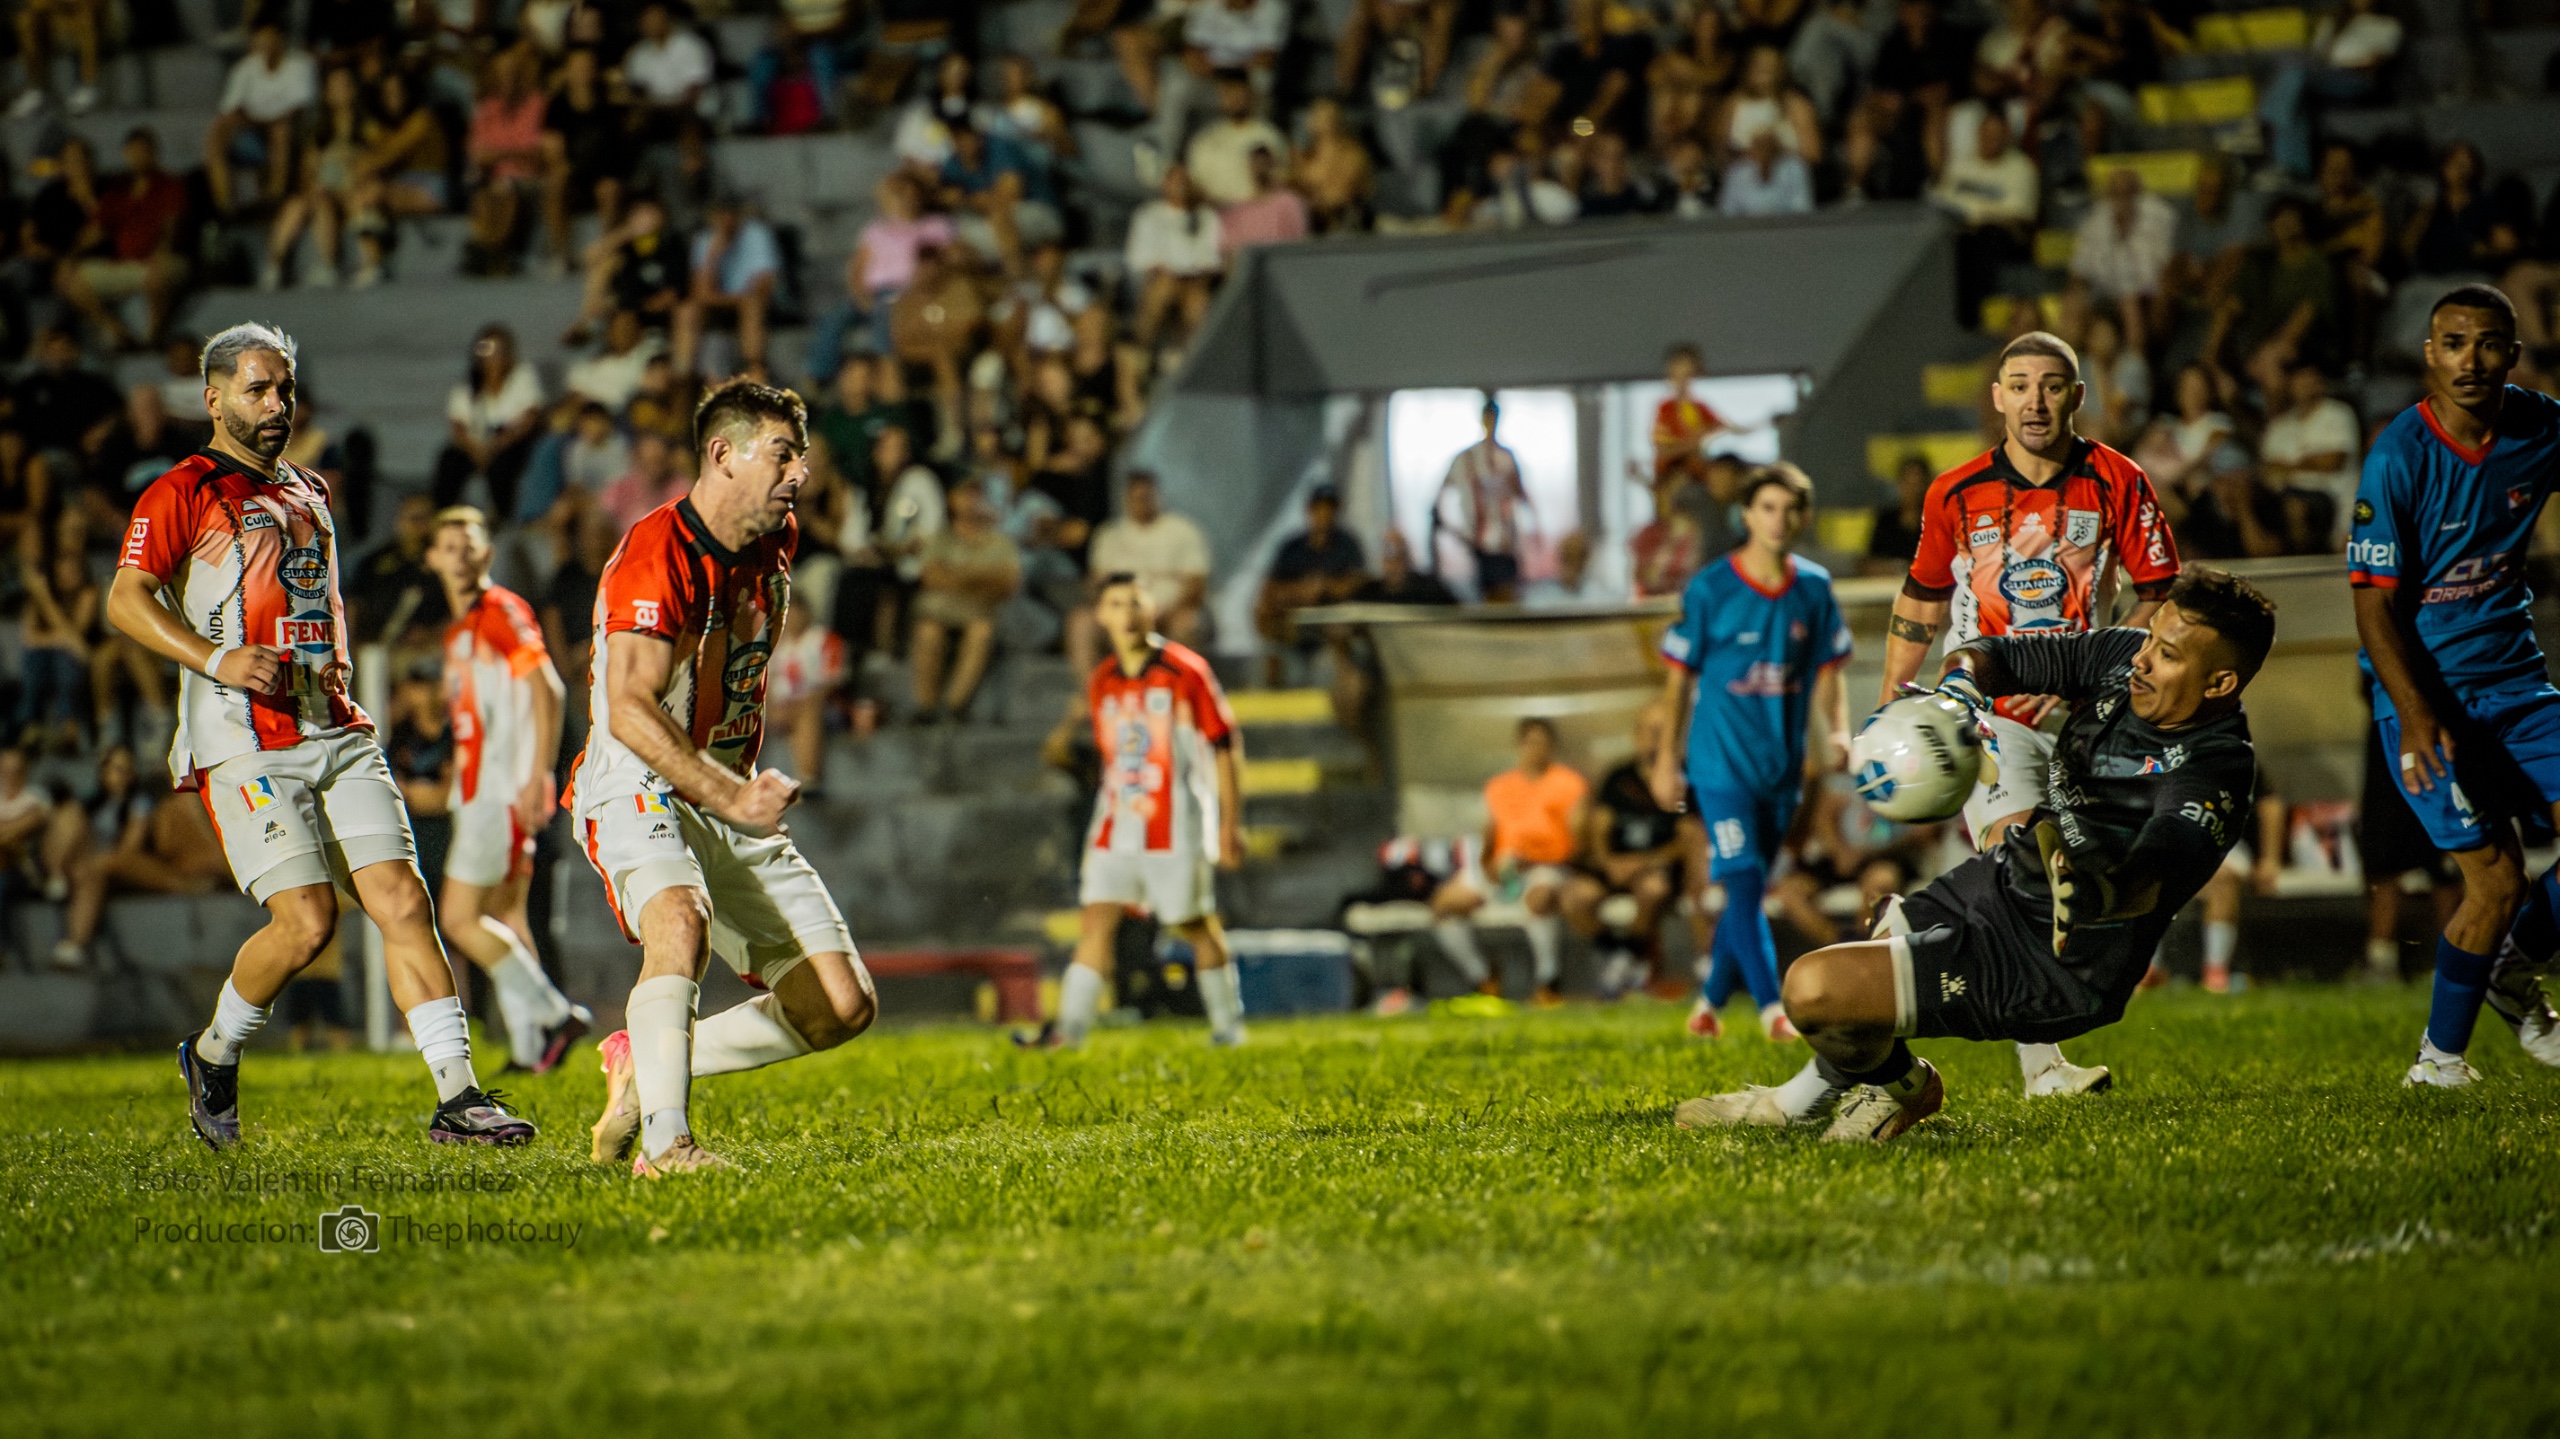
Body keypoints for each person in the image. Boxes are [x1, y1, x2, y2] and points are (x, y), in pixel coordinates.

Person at [111, 322, 532, 1150]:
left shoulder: (309, 490)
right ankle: (213, 1054)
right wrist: (215, 657)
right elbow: (125, 600)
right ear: (214, 396)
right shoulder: (183, 490)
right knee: (307, 923)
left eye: (285, 390)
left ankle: (460, 1098)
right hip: (246, 737)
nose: (275, 405)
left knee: (406, 903)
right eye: (257, 389)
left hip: (335, 725)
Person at [1679, 569, 2273, 1141]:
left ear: (2220, 683)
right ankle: (1831, 1097)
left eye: (2168, 655)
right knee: (1880, 939)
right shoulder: (2123, 655)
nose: (2143, 660)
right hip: (2006, 880)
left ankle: (1892, 1088)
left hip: (2060, 961)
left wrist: (2090, 888)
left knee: (1814, 989)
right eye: (2151, 639)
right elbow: (1999, 654)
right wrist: (1960, 689)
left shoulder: (2216, 765)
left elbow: (2157, 867)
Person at [580, 381, 876, 1177]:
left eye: (801, 457)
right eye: (782, 454)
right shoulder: (655, 553)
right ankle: (666, 1147)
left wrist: (732, 795)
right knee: (679, 920)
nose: (798, 474)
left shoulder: (774, 537)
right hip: (638, 782)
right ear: (722, 453)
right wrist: (732, 795)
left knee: (841, 1006)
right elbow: (630, 709)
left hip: (724, 794)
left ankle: (644, 1064)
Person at [1877, 330, 2182, 1098]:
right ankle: (2042, 1067)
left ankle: (1908, 927)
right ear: (1998, 397)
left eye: (2052, 385)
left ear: (2077, 396)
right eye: (2019, 384)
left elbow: (2160, 591)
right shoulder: (1955, 491)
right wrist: (1891, 700)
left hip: (2086, 712)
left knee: (2052, 881)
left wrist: (2103, 665)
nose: (2035, 401)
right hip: (1986, 707)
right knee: (2022, 859)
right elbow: (1918, 597)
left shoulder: (2118, 480)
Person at [2347, 284, 2560, 1087]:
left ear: (2513, 352)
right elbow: (2371, 606)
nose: (2471, 360)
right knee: (2496, 879)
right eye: (2454, 343)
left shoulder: (2541, 426)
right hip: (2428, 700)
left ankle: (2509, 970)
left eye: (2489, 343)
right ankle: (2437, 1062)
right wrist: (2414, 714)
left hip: (2517, 684)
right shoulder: (2399, 454)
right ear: (2430, 354)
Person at [1651, 464, 1852, 1041]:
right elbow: (1677, 682)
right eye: (1766, 507)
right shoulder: (1711, 588)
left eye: (1789, 509)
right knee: (1741, 883)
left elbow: (1829, 671)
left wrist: (1837, 730)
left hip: (1782, 769)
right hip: (1719, 767)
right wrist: (1668, 761)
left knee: (1751, 883)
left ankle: (1710, 1001)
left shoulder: (1813, 589)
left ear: (1803, 517)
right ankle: (1773, 1010)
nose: (1778, 520)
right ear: (1746, 515)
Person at [1020, 572, 1247, 1048]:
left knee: (1195, 926)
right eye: (1116, 604)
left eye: (1136, 603)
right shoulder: (1101, 680)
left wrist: (1229, 822)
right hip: (1116, 824)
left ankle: (1229, 1027)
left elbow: (1225, 743)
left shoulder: (1187, 671)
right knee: (1096, 922)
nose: (1128, 613)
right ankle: (1069, 1032)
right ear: (1101, 617)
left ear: (1153, 609)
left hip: (1174, 824)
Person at [426, 506, 590, 1075]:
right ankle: (528, 1050)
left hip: (498, 793)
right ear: (432, 559)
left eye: (470, 544)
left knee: (458, 920)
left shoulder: (499, 611)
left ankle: (555, 1012)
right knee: (506, 919)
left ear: (488, 554)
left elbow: (547, 686)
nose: (461, 555)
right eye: (449, 545)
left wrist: (540, 773)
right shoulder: (460, 631)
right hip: (482, 790)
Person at [1431, 718, 1587, 1006]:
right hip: (1503, 867)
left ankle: (1547, 982)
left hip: (1546, 865)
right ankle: (1482, 978)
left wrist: (1534, 859)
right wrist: (1489, 868)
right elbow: (1488, 835)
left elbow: (1577, 843)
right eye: (1529, 742)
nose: (1534, 749)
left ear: (1551, 747)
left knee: (1540, 898)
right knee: (1445, 904)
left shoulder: (1568, 784)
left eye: (1541, 743)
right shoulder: (1500, 787)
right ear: (1519, 746)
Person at [49, 744, 233, 970]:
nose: (123, 776)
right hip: (92, 865)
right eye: (117, 769)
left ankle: (74, 942)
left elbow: (129, 849)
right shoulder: (92, 804)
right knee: (73, 826)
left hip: (129, 864)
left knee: (102, 864)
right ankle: (70, 933)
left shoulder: (140, 804)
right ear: (103, 772)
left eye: (128, 770)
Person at [1563, 703, 1697, 1000]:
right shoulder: (1618, 777)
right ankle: (1619, 955)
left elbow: (1691, 838)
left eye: (1662, 731)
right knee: (1575, 897)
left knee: (1653, 890)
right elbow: (1600, 827)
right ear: (1636, 736)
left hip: (1658, 866)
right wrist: (1609, 862)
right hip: (1615, 863)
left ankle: (1623, 965)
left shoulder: (1685, 778)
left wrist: (1647, 861)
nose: (1655, 737)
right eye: (1650, 731)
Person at [58, 127, 190, 352]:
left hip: (164, 261)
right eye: (134, 151)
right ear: (126, 153)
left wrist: (160, 254)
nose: (139, 156)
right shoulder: (118, 190)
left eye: (144, 151)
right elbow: (96, 231)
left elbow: (171, 228)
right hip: (124, 264)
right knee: (70, 280)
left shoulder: (170, 186)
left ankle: (152, 339)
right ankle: (116, 331)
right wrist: (69, 258)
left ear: (154, 152)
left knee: (157, 277)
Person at [909, 480, 1022, 724]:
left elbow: (1007, 582)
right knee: (928, 630)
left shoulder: (1000, 541)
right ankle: (926, 707)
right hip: (941, 610)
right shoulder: (941, 538)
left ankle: (955, 706)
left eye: (976, 494)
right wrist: (979, 577)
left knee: (981, 631)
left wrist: (956, 575)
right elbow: (930, 577)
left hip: (982, 611)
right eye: (964, 494)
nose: (970, 501)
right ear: (952, 499)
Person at [1254, 484, 1368, 687]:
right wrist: (1301, 591)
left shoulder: (1347, 545)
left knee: (1336, 655)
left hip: (1330, 631)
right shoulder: (1292, 548)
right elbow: (1269, 589)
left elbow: (1357, 582)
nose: (1324, 514)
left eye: (1329, 508)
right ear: (1309, 510)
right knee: (1267, 636)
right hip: (1294, 628)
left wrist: (1324, 587)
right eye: (1319, 508)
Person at [1087, 471, 1211, 645]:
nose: (1141, 503)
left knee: (1187, 624)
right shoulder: (1109, 535)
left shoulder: (1183, 530)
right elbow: (1097, 584)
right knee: (1082, 624)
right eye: (1135, 498)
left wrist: (1164, 614)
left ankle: (1182, 673)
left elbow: (1196, 585)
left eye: (1146, 497)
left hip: (1171, 611)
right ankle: (1098, 673)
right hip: (1120, 613)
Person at [206, 21, 316, 216]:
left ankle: (275, 197)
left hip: (291, 130)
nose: (264, 47)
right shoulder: (244, 69)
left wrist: (269, 120)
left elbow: (301, 108)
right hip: (253, 131)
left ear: (280, 41)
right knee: (218, 129)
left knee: (280, 129)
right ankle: (224, 204)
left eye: (269, 41)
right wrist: (258, 121)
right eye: (259, 43)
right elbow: (229, 111)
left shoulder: (300, 64)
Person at [1435, 397, 1534, 601]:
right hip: (1476, 545)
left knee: (1504, 597)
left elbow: (1520, 495)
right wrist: (1455, 532)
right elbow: (1443, 494)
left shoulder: (1506, 458)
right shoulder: (1467, 459)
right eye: (1488, 418)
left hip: (1504, 546)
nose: (1491, 423)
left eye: (1494, 418)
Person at [675, 198, 780, 377]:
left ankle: (754, 367)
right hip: (717, 304)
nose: (727, 219)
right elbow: (699, 292)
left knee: (752, 305)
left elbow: (765, 284)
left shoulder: (757, 235)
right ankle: (683, 374)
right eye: (721, 214)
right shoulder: (705, 240)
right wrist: (713, 256)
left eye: (731, 214)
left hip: (748, 301)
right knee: (687, 311)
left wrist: (738, 297)